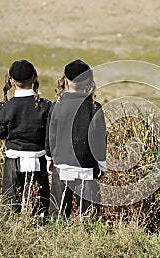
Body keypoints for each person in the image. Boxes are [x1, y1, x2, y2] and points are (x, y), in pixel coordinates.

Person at [46, 59, 107, 221]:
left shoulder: (56, 106)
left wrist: (49, 157)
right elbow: (99, 140)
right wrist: (102, 164)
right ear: (89, 81)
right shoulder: (94, 108)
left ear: (65, 80)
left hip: (61, 165)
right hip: (86, 168)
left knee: (57, 216)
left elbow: (50, 135)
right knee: (88, 218)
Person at [0, 59, 52, 217]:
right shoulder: (46, 106)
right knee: (39, 207)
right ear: (34, 78)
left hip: (13, 160)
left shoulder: (6, 107)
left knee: (10, 207)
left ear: (11, 82)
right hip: (38, 159)